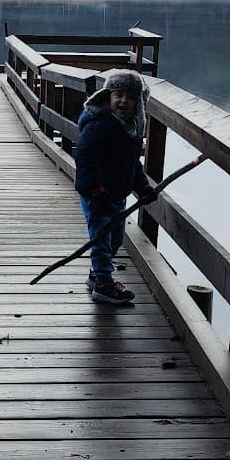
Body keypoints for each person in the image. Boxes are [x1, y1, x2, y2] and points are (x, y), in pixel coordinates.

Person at [73, 69, 157, 306]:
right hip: (97, 194)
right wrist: (95, 190)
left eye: (130, 97)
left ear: (139, 103)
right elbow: (86, 158)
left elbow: (132, 164)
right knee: (101, 238)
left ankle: (96, 273)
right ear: (107, 97)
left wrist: (142, 187)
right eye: (118, 95)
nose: (123, 101)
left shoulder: (131, 128)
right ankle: (103, 284)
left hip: (117, 195)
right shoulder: (99, 125)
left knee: (115, 238)